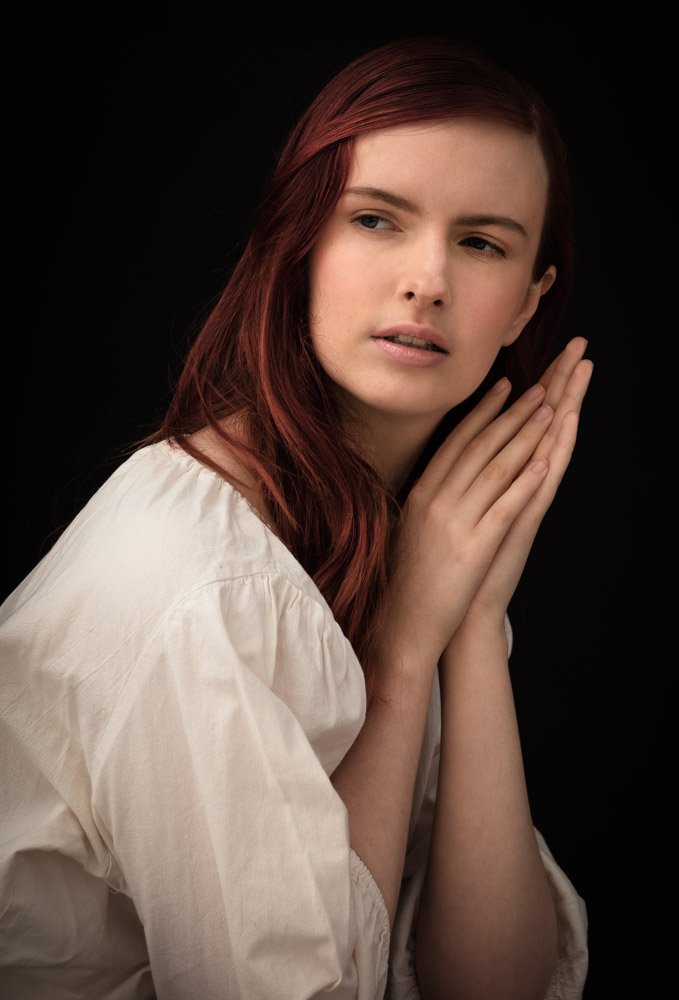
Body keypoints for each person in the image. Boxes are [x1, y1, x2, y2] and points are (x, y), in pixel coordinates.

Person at [1, 34, 593, 1000]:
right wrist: (403, 650)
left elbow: (493, 983)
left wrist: (473, 624)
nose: (429, 279)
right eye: (376, 220)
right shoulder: (204, 579)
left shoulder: (412, 536)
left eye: (482, 242)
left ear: (528, 306)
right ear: (301, 241)